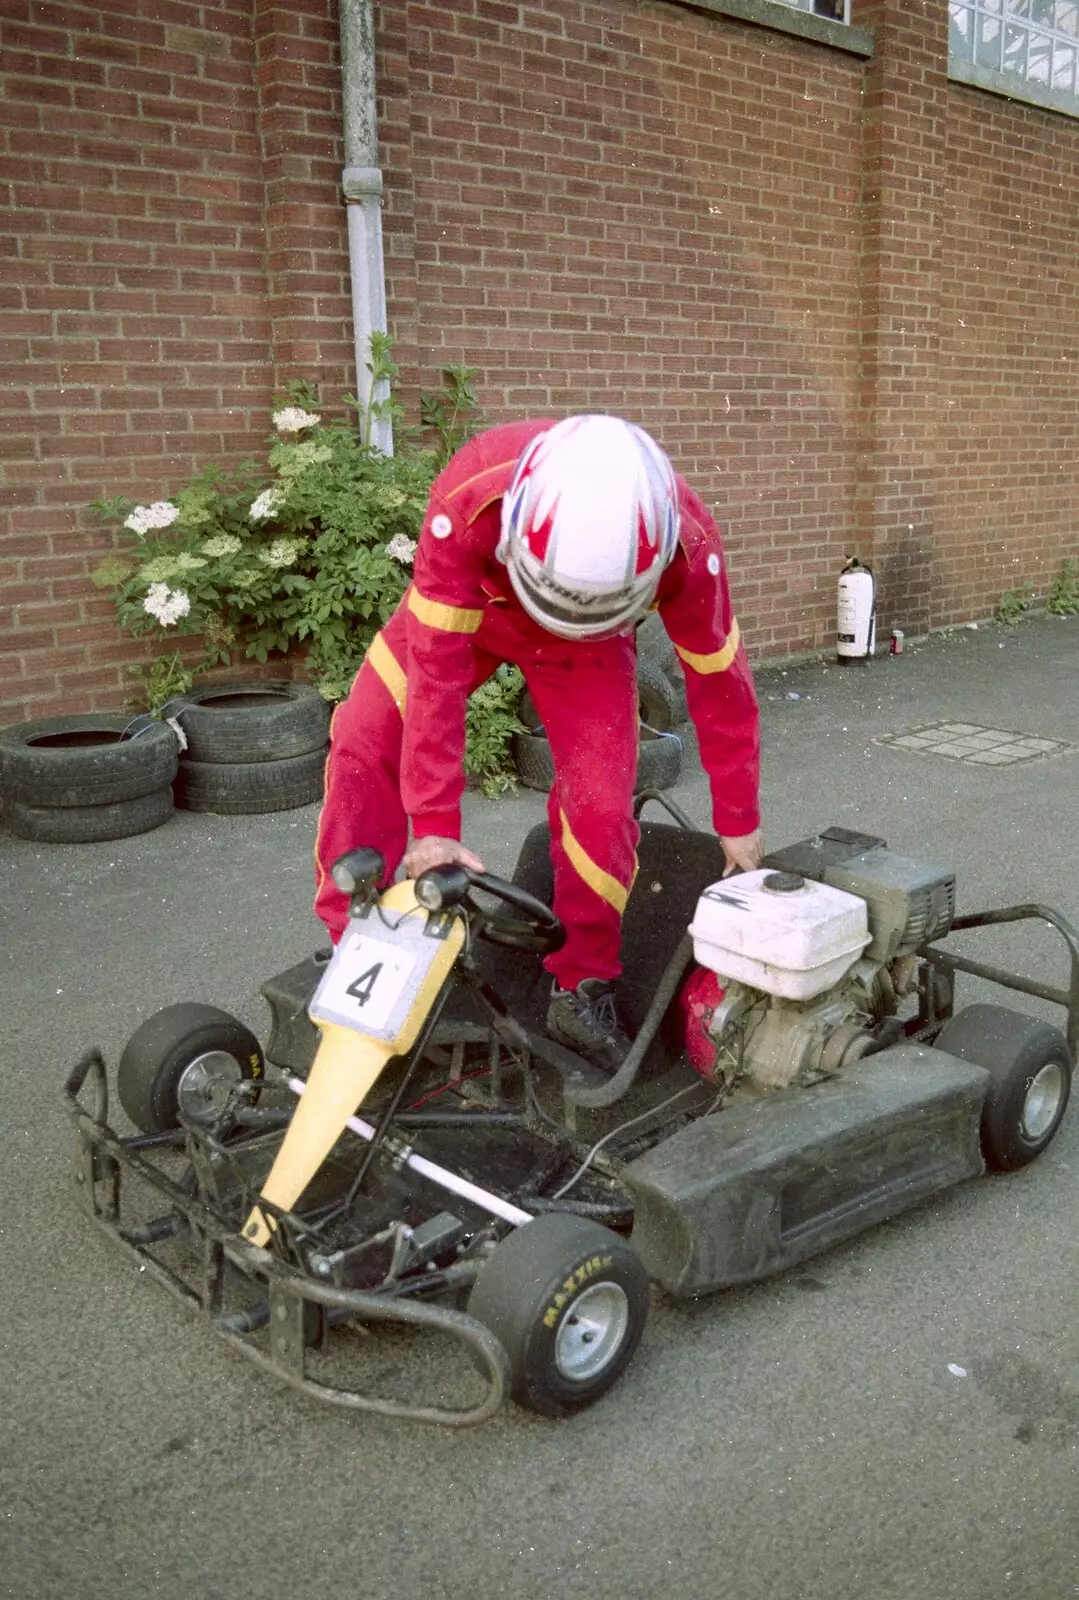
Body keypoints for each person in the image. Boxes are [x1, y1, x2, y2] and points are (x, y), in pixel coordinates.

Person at [314, 414, 762, 1070]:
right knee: (364, 737)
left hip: (589, 645)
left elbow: (720, 682)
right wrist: (433, 826)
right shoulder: (469, 498)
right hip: (480, 610)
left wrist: (738, 820)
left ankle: (581, 981)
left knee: (601, 805)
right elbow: (433, 680)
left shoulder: (690, 545)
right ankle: (355, 944)